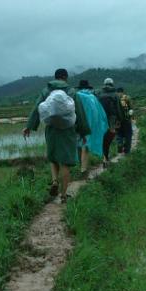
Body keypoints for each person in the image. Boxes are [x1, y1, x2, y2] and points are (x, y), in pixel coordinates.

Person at [23, 68, 90, 203]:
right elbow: (80, 113)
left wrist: (29, 126)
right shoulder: (71, 92)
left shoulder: (46, 91)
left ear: (55, 77)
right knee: (65, 163)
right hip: (68, 130)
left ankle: (54, 181)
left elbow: (37, 108)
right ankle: (64, 195)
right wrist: (83, 132)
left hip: (51, 129)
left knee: (53, 158)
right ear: (65, 78)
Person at [76, 80, 109, 177]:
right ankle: (84, 169)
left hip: (77, 124)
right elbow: (99, 113)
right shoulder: (92, 97)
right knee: (86, 146)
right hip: (89, 125)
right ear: (88, 88)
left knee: (79, 144)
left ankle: (81, 166)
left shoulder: (75, 96)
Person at [96, 77, 125, 168]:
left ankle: (105, 158)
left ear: (104, 84)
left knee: (103, 139)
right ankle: (106, 158)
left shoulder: (99, 94)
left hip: (101, 119)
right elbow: (119, 109)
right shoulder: (115, 95)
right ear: (112, 84)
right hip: (112, 120)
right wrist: (121, 120)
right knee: (108, 139)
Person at [116, 87, 134, 154]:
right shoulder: (127, 98)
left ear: (117, 92)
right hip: (126, 121)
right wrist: (130, 117)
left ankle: (119, 144)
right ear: (123, 91)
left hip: (118, 121)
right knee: (128, 135)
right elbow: (131, 109)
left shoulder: (115, 98)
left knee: (119, 134)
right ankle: (127, 151)